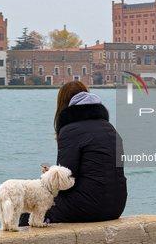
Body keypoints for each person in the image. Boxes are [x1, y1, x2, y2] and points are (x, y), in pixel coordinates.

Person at [19, 80, 127, 225]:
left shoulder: (70, 130)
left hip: (88, 207)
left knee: (31, 211)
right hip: (116, 205)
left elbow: (66, 178)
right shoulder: (109, 127)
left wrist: (52, 175)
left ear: (63, 105)